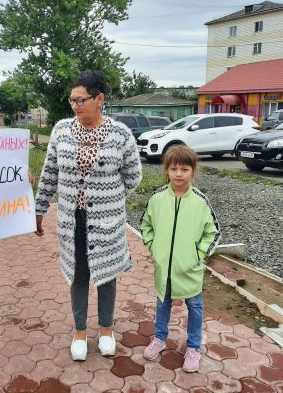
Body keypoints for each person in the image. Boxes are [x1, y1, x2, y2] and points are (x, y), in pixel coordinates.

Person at [35, 71, 142, 361]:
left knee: (107, 275)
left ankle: (106, 330)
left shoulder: (120, 135)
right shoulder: (61, 131)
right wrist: (39, 209)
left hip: (107, 222)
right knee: (78, 274)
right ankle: (80, 332)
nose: (75, 106)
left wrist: (108, 199)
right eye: (72, 100)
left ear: (100, 99)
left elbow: (133, 177)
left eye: (81, 100)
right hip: (72, 220)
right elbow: (50, 174)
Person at [140, 145, 221, 372]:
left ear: (193, 171)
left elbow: (213, 232)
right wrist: (154, 247)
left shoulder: (200, 201)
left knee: (195, 307)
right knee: (162, 304)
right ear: (166, 170)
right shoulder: (157, 198)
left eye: (184, 169)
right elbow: (145, 224)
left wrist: (198, 254)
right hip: (164, 268)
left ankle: (193, 347)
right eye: (174, 169)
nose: (178, 174)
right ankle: (159, 338)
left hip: (190, 269)